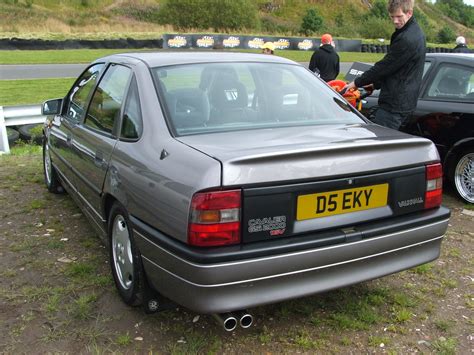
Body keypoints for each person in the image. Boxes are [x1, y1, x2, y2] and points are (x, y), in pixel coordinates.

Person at [345, 0, 425, 130]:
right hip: (402, 101)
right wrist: (375, 84)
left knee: (380, 144)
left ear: (409, 13)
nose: (395, 21)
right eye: (392, 17)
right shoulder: (414, 31)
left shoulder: (407, 38)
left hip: (394, 105)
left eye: (399, 17)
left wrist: (356, 83)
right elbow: (399, 69)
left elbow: (385, 67)